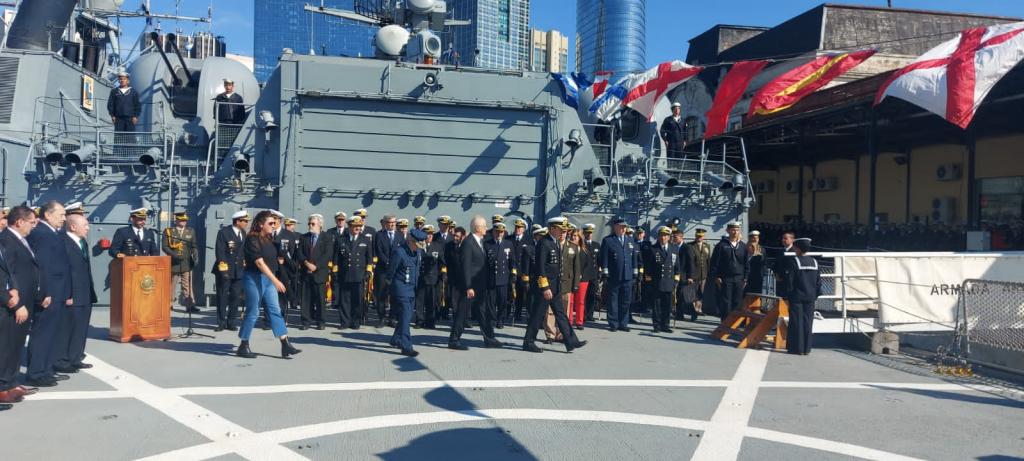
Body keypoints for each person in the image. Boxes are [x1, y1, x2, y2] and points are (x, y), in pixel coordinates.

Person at [236, 210, 301, 359]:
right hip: (254, 278)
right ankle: (243, 345)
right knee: (253, 312)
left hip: (268, 280)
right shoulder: (252, 239)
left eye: (275, 223)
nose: (274, 225)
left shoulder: (269, 238)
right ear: (260, 224)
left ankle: (285, 345)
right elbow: (259, 262)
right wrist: (275, 280)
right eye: (270, 223)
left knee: (275, 310)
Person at [522, 217, 587, 353]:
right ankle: (528, 342)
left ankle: (571, 341)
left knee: (561, 314)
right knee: (537, 315)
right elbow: (540, 268)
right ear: (552, 228)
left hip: (555, 286)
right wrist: (545, 287)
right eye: (560, 229)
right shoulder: (544, 243)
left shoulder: (555, 242)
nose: (563, 231)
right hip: (545, 288)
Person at [0, 207, 42, 402]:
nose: (34, 226)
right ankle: (4, 386)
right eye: (31, 222)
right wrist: (15, 303)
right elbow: (7, 275)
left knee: (16, 344)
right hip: (12, 304)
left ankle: (11, 382)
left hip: (22, 300)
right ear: (19, 222)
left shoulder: (19, 240)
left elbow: (13, 272)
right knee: (7, 345)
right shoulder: (7, 240)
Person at [25, 201, 69, 384]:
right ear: (48, 215)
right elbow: (42, 267)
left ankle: (47, 369)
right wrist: (44, 293)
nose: (64, 218)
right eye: (61, 215)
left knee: (52, 333)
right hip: (49, 293)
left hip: (57, 292)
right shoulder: (42, 234)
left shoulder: (52, 233)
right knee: (42, 333)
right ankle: (36, 373)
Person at [450, 215, 501, 350]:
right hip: (471, 287)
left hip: (480, 286)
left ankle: (489, 338)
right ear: (478, 228)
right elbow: (465, 266)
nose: (486, 228)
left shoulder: (480, 242)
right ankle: (454, 340)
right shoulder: (468, 242)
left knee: (483, 312)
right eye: (484, 226)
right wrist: (468, 286)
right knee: (462, 312)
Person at [54, 213, 96, 375]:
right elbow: (65, 270)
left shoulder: (82, 242)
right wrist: (68, 294)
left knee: (81, 327)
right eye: (84, 225)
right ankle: (62, 360)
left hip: (85, 292)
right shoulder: (63, 241)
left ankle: (75, 357)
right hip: (72, 294)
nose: (88, 227)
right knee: (67, 328)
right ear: (73, 226)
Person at [388, 228, 428, 357]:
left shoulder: (417, 252)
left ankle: (395, 339)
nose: (419, 247)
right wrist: (392, 290)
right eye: (417, 244)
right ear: (411, 241)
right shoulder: (399, 253)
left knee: (406, 317)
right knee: (406, 319)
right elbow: (390, 272)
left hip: (412, 289)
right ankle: (406, 346)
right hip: (401, 290)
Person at [601, 218, 639, 332]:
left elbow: (634, 258)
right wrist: (605, 272)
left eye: (624, 227)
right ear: (615, 227)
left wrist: (635, 272)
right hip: (614, 275)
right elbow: (604, 258)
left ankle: (623, 323)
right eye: (621, 226)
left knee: (626, 300)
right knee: (613, 300)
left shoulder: (630, 240)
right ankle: (613, 323)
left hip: (627, 276)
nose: (623, 229)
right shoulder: (608, 240)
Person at [784, 238, 821, 355]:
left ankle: (796, 348)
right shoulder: (815, 262)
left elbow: (790, 281)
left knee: (796, 322)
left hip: (797, 297)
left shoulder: (795, 261)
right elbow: (818, 282)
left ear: (798, 248)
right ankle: (807, 348)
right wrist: (815, 295)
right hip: (810, 297)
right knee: (808, 322)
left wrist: (787, 296)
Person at [334, 216, 373, 329]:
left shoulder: (365, 240)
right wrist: (335, 271)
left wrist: (368, 271)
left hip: (359, 275)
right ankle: (345, 322)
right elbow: (336, 257)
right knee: (344, 300)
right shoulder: (341, 239)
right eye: (355, 226)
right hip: (345, 274)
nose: (357, 228)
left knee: (357, 300)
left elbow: (369, 258)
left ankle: (355, 321)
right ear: (349, 226)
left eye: (359, 226)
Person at [213, 211, 248, 331]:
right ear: (237, 221)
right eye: (245, 221)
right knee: (222, 296)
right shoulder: (224, 232)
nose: (246, 223)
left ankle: (231, 321)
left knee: (236, 296)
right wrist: (224, 271)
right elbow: (220, 252)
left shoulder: (243, 233)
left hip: (238, 270)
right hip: (226, 269)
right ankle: (221, 321)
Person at [709, 223, 750, 322]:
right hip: (725, 278)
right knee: (726, 302)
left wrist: (745, 278)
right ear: (728, 231)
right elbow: (714, 263)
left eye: (737, 230)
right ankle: (725, 323)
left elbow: (746, 263)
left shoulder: (743, 246)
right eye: (733, 230)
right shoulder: (721, 245)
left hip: (739, 278)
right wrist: (716, 276)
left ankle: (735, 323)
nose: (735, 232)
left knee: (737, 302)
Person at [546, 225, 580, 342]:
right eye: (561, 231)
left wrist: (576, 284)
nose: (562, 234)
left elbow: (577, 268)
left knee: (564, 311)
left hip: (566, 283)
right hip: (553, 283)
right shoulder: (551, 244)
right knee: (550, 310)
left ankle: (561, 334)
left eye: (565, 232)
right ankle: (550, 334)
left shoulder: (573, 247)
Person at [644, 226, 681, 333]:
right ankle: (656, 325)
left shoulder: (674, 248)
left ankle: (665, 325)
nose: (663, 237)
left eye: (665, 236)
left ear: (669, 237)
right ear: (658, 237)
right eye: (661, 235)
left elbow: (677, 267)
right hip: (657, 281)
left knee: (667, 306)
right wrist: (649, 282)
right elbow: (648, 267)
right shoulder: (653, 249)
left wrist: (676, 280)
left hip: (669, 281)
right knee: (656, 306)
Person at [298, 214, 331, 330]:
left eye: (313, 224)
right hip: (306, 272)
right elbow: (300, 253)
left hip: (319, 273)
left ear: (320, 225)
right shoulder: (304, 237)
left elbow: (327, 255)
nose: (310, 226)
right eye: (309, 223)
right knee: (306, 299)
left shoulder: (327, 237)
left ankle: (321, 322)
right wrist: (306, 263)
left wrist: (316, 266)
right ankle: (306, 321)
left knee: (320, 299)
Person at [163, 212, 198, 312]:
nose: (184, 222)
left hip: (186, 262)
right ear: (176, 220)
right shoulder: (169, 231)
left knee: (187, 284)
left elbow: (194, 246)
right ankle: (169, 304)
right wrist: (174, 255)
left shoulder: (190, 231)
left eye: (185, 220)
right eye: (182, 220)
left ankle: (190, 305)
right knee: (171, 285)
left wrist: (195, 255)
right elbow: (165, 246)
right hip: (174, 262)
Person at [484, 221, 515, 329]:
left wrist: (513, 273)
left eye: (501, 232)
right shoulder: (487, 244)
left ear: (504, 232)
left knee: (502, 301)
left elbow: (512, 260)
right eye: (497, 232)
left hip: (503, 277)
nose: (499, 234)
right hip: (491, 277)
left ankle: (500, 319)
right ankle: (492, 319)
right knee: (491, 301)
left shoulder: (508, 244)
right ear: (493, 232)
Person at [374, 214, 399, 327]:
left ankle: (392, 318)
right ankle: (381, 318)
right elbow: (378, 251)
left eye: (394, 222)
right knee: (381, 295)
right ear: (385, 223)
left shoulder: (400, 235)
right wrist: (388, 262)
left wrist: (394, 264)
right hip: (382, 270)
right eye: (389, 222)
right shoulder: (379, 235)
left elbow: (402, 251)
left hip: (396, 271)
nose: (392, 224)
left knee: (394, 294)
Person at [417, 225, 444, 329]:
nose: (429, 236)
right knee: (420, 300)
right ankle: (419, 320)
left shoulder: (437, 246)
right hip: (421, 277)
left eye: (431, 234)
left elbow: (442, 261)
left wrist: (442, 274)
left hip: (433, 278)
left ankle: (430, 321)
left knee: (431, 301)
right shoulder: (418, 245)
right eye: (427, 234)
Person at [276, 218, 302, 315]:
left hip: (293, 264)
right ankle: (291, 300)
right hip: (283, 265)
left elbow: (296, 252)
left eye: (290, 225)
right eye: (286, 225)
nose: (288, 227)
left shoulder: (298, 236)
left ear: (293, 225)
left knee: (294, 284)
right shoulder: (281, 235)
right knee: (284, 286)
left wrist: (296, 264)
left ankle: (294, 301)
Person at [568, 227, 593, 329]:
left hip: (583, 279)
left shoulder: (584, 250)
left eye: (576, 236)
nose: (574, 238)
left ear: (579, 238)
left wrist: (581, 274)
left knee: (581, 301)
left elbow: (588, 265)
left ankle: (579, 321)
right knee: (570, 301)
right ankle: (569, 321)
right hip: (570, 278)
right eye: (572, 236)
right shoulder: (567, 248)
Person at [672, 230, 697, 322]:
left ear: (681, 237)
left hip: (684, 275)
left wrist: (691, 276)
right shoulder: (673, 247)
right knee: (678, 295)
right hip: (675, 275)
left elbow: (691, 263)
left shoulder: (687, 247)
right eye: (673, 237)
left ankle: (693, 313)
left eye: (675, 237)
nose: (673, 239)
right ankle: (679, 314)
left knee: (685, 296)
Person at [442, 226, 466, 323]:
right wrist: (445, 273)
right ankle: (456, 319)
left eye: (457, 236)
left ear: (463, 237)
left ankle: (465, 319)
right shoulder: (449, 246)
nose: (455, 238)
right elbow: (445, 261)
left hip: (465, 278)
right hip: (453, 277)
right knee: (454, 300)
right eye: (454, 236)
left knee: (464, 300)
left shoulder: (467, 246)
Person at [688, 229, 712, 316]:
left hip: (703, 274)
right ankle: (693, 309)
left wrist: (709, 272)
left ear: (703, 237)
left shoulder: (707, 246)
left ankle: (699, 308)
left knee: (701, 292)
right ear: (695, 236)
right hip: (694, 274)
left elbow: (708, 260)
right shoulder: (690, 246)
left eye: (701, 236)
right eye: (698, 236)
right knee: (693, 292)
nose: (699, 238)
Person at [581, 223, 601, 323]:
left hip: (594, 274)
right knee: (583, 296)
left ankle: (590, 314)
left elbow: (599, 260)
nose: (589, 235)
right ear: (583, 233)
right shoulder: (581, 245)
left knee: (592, 295)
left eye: (590, 233)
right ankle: (583, 314)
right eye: (587, 233)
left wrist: (600, 272)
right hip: (584, 274)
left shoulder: (596, 245)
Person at [746, 230, 765, 295]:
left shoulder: (762, 249)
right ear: (750, 238)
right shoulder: (744, 248)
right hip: (747, 276)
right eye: (753, 238)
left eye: (757, 238)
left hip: (758, 277)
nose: (755, 239)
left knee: (757, 295)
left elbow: (764, 262)